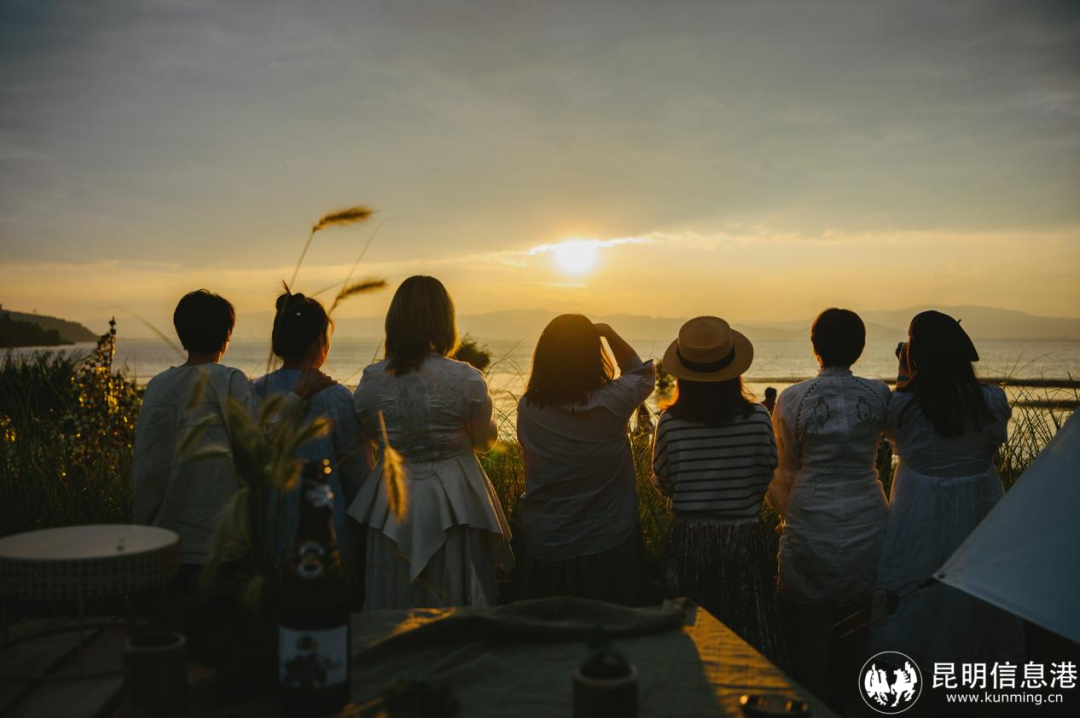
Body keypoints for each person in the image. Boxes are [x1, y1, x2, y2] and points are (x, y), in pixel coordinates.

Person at [347, 276, 513, 609]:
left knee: (394, 595)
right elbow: (483, 443)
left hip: (392, 503)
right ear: (444, 320)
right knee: (455, 593)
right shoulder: (466, 378)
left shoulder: (371, 380)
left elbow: (368, 435)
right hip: (455, 502)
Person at [871, 311, 1024, 668]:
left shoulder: (902, 405)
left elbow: (894, 430)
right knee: (979, 594)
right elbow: (991, 441)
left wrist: (904, 375)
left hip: (918, 506)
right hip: (980, 502)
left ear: (914, 357)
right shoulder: (990, 401)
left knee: (914, 586)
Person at [133, 289, 330, 567]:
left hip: (163, 539)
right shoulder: (229, 381)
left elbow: (146, 465)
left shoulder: (157, 386)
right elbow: (260, 443)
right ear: (227, 335)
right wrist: (297, 397)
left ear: (181, 332)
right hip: (220, 538)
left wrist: (143, 529)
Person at [766, 308, 890, 710]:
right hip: (868, 510)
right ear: (861, 347)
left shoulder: (792, 398)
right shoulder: (878, 394)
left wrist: (790, 515)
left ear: (814, 345)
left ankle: (813, 702)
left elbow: (784, 469)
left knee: (811, 627)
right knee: (862, 622)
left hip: (810, 511)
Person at [652, 316, 786, 664]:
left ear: (684, 373)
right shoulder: (757, 417)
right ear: (734, 370)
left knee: (689, 635)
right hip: (743, 535)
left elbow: (663, 480)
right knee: (747, 628)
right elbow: (766, 470)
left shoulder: (670, 421)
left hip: (689, 537)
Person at [514, 316, 655, 604]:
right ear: (593, 356)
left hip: (547, 539)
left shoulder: (529, 407)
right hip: (610, 539)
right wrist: (607, 332)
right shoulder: (613, 400)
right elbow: (641, 375)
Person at [253, 290, 373, 576]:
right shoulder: (336, 397)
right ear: (320, 342)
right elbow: (358, 477)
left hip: (268, 536)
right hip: (328, 538)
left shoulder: (256, 390)